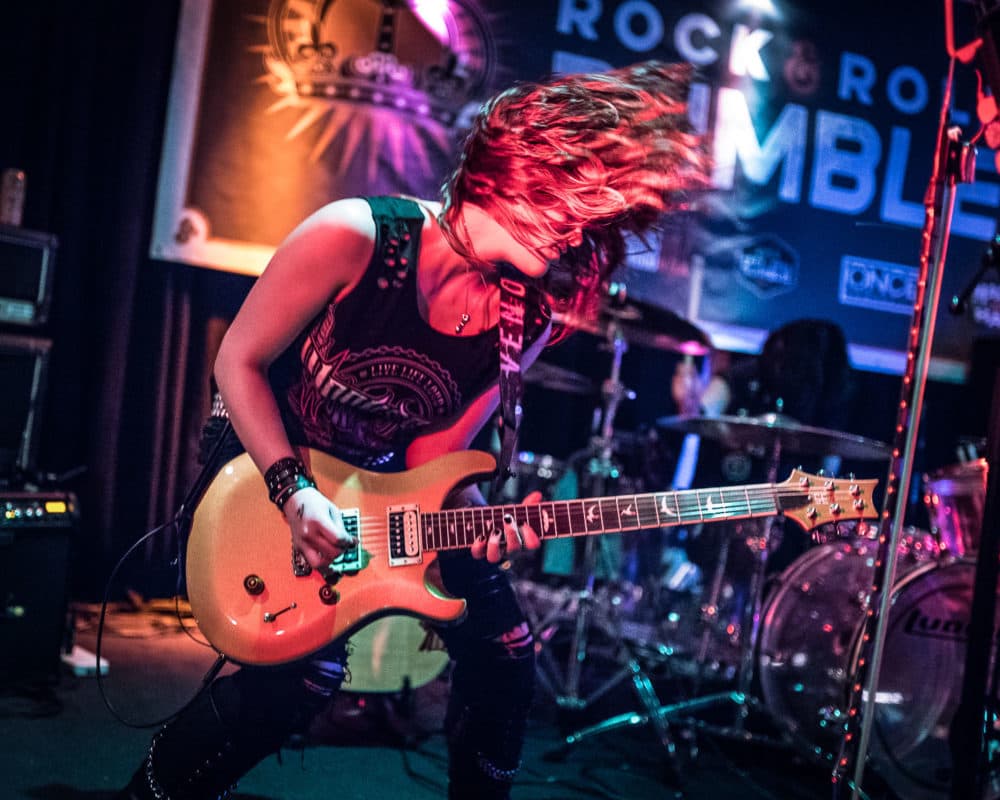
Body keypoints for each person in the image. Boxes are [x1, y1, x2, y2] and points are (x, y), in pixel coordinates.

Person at [117, 60, 707, 800]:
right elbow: (238, 361)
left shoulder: (524, 320)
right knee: (299, 682)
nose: (574, 233)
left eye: (590, 217)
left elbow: (434, 459)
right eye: (569, 205)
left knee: (506, 658)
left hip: (386, 489)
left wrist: (483, 527)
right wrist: (293, 490)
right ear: (511, 172)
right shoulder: (356, 235)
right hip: (266, 462)